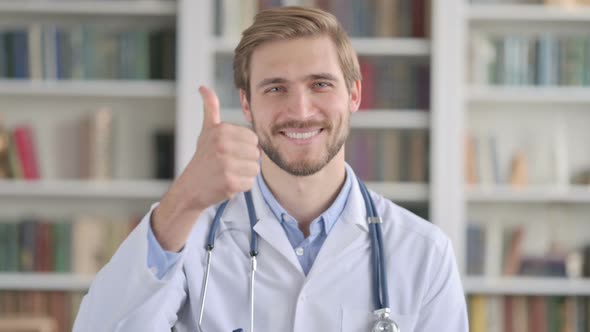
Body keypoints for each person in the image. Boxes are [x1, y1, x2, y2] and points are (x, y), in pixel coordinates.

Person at [73, 6, 468, 332]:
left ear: (354, 94)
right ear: (246, 105)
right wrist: (186, 197)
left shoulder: (424, 254)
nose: (299, 110)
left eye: (320, 85)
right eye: (275, 88)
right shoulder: (188, 233)